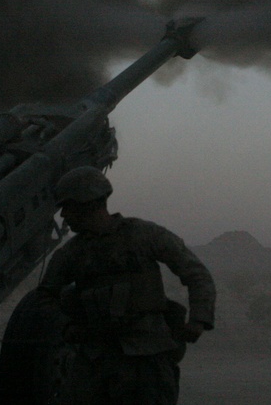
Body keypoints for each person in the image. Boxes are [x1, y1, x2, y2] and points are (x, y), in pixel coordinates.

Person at [37, 166, 216, 405]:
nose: (64, 216)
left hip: (148, 357)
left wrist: (198, 320)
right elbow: (45, 298)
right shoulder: (71, 253)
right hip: (94, 360)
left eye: (67, 207)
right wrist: (67, 327)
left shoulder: (142, 235)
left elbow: (196, 273)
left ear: (87, 203)